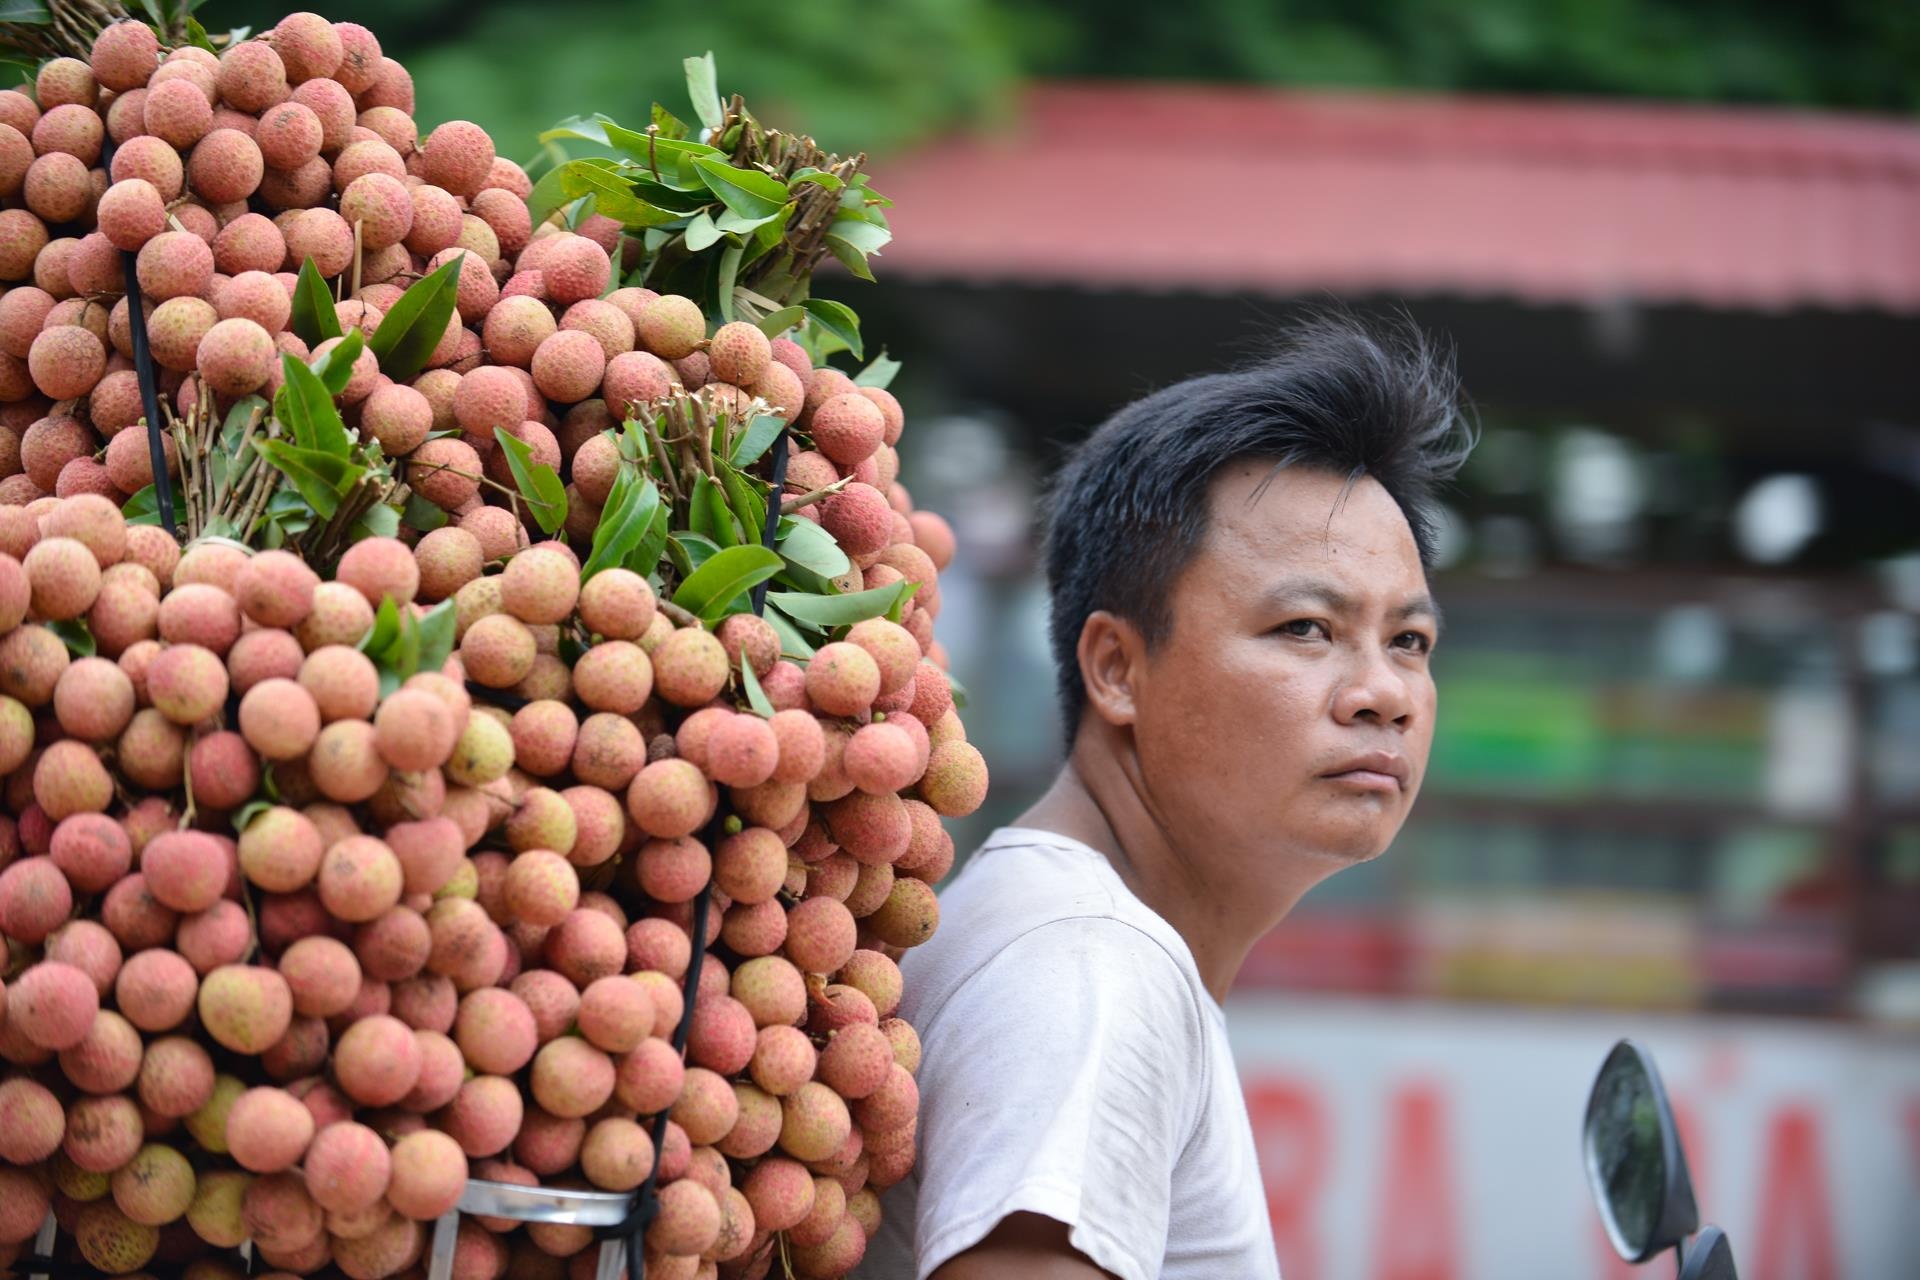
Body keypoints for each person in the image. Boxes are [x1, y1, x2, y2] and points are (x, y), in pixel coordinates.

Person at [857, 312, 1477, 1280]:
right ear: (1115, 666)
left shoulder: (1069, 932)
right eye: (1308, 627)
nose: (1385, 693)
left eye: (1409, 641)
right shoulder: (1094, 969)